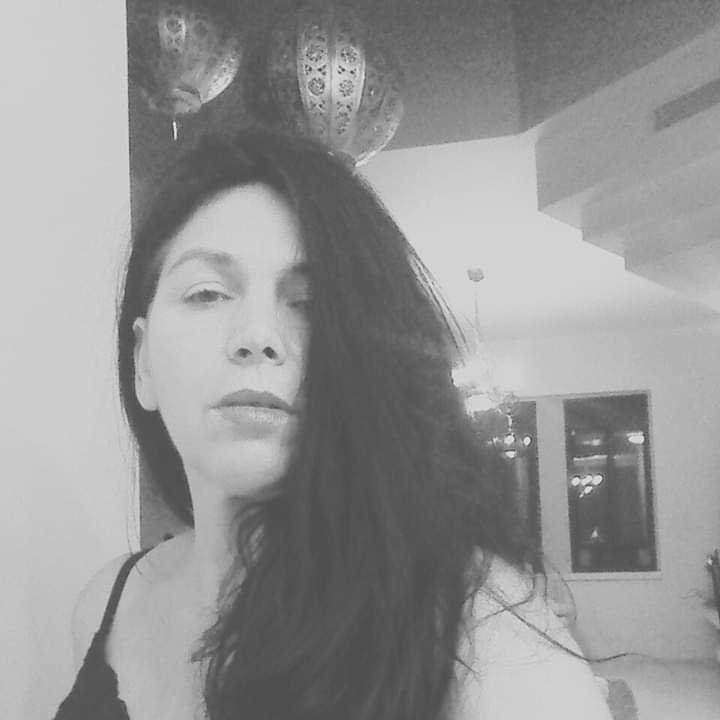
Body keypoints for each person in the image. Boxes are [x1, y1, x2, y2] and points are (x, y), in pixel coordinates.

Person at [54, 129, 613, 720]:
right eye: (208, 293)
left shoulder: (479, 624)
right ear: (141, 362)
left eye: (309, 304)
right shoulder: (105, 605)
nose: (257, 336)